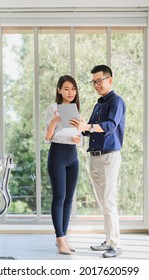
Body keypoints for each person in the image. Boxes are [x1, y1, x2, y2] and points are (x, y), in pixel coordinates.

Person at [69, 65, 126, 258]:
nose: (96, 85)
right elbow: (89, 129)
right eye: (93, 81)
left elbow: (109, 126)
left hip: (109, 157)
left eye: (99, 81)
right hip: (94, 157)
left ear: (109, 80)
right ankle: (109, 239)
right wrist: (80, 127)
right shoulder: (99, 104)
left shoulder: (116, 101)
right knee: (103, 202)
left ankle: (115, 244)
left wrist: (89, 126)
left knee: (109, 201)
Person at [44, 75, 81, 255]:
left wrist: (78, 138)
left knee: (68, 199)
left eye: (73, 89)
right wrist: (54, 121)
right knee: (59, 197)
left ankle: (64, 237)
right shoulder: (52, 108)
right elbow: (47, 137)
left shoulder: (76, 109)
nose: (70, 92)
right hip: (57, 154)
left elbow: (79, 136)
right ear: (59, 90)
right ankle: (59, 239)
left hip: (73, 156)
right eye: (66, 88)